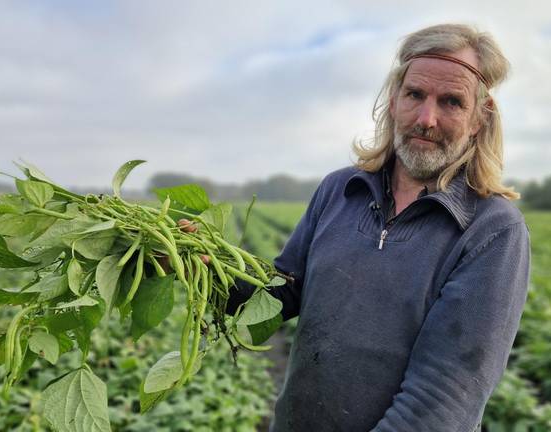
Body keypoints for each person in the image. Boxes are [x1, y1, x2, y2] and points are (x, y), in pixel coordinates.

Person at [191, 23, 530, 432]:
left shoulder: (493, 230)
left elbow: (444, 396)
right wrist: (200, 265)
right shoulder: (341, 189)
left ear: (479, 118)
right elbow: (284, 291)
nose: (426, 119)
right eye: (415, 95)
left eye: (452, 102)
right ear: (393, 99)